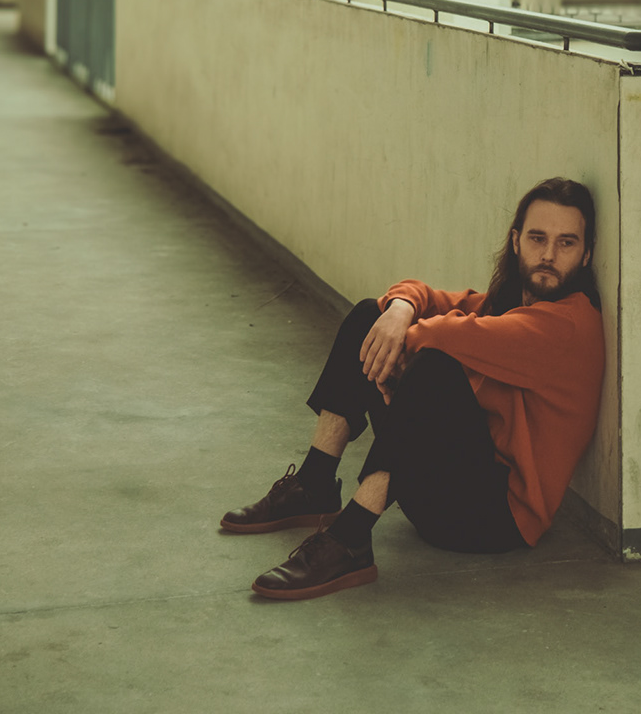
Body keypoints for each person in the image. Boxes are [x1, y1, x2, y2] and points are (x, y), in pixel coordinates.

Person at [221, 179, 605, 600]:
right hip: (446, 494)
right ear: (516, 242)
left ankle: (350, 539)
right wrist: (400, 308)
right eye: (537, 238)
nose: (548, 255)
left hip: (495, 521)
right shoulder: (510, 304)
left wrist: (403, 350)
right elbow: (424, 296)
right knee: (371, 316)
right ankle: (314, 485)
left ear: (586, 254)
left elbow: (445, 337)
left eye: (566, 243)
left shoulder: (569, 326)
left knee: (433, 367)